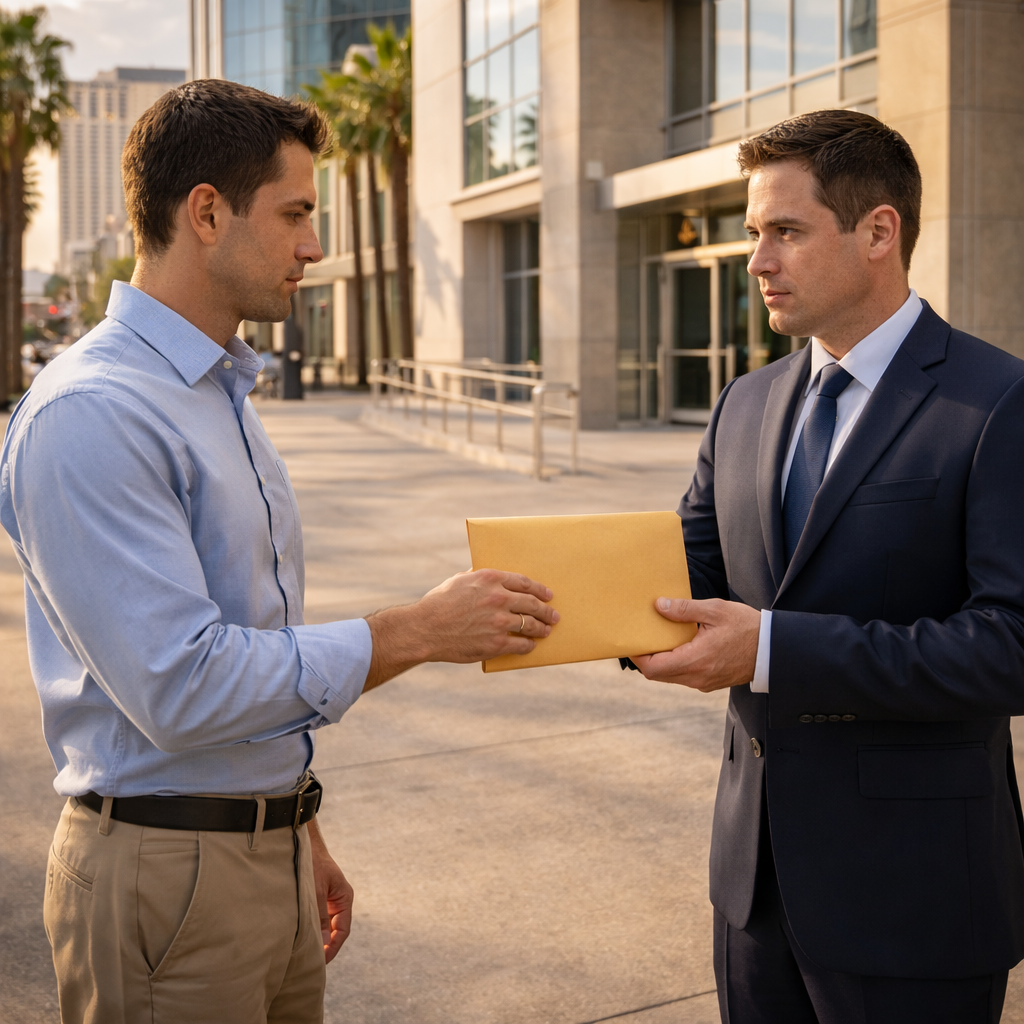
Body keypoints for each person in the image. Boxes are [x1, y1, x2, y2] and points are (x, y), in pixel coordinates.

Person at [0, 79, 557, 1024]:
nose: (315, 245)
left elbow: (249, 638)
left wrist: (292, 821)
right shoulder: (95, 412)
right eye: (296, 212)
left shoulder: (216, 390)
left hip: (259, 851)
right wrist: (413, 631)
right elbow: (180, 685)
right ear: (206, 213)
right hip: (165, 880)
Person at [628, 110, 1024, 1022]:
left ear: (879, 231)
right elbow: (684, 570)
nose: (758, 260)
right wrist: (552, 601)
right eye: (752, 235)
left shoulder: (998, 403)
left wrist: (770, 650)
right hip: (753, 891)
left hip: (915, 898)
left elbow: (1009, 645)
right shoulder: (746, 401)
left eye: (785, 232)